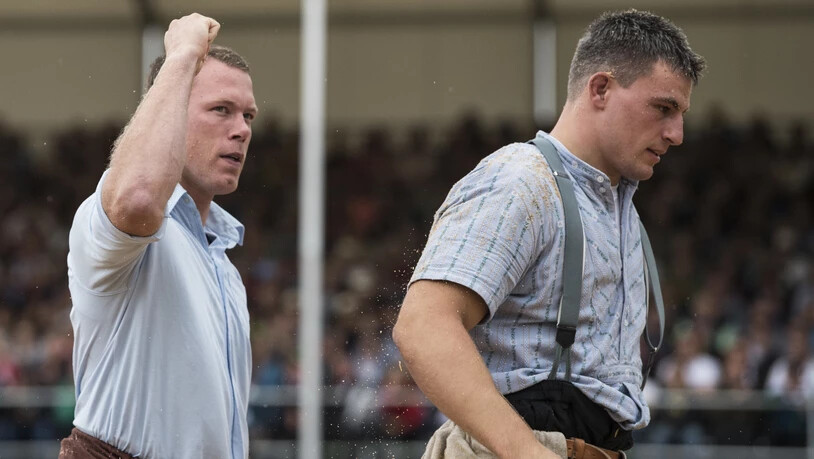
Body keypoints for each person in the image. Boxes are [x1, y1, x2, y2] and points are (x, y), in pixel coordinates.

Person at [393, 9, 704, 459]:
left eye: (681, 114)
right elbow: (423, 326)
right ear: (600, 89)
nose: (676, 133)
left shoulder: (621, 211)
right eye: (663, 108)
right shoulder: (521, 180)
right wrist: (527, 452)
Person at [59, 13, 258, 459]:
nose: (242, 128)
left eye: (248, 115)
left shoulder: (224, 264)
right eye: (221, 109)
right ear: (167, 108)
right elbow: (139, 198)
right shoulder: (112, 217)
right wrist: (183, 56)